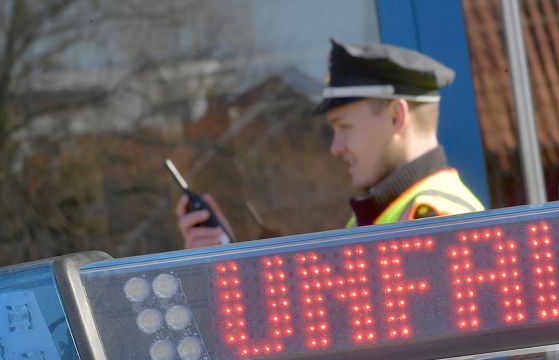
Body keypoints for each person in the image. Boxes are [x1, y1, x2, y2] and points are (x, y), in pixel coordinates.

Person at [176, 39, 485, 249]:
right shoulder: (378, 218)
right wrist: (226, 255)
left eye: (345, 127)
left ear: (396, 117)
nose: (336, 147)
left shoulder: (438, 222)